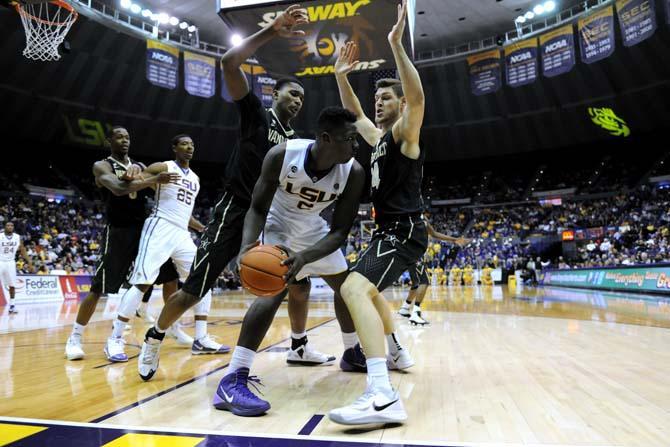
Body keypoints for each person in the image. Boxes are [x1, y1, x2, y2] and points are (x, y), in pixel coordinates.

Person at [138, 5, 361, 381]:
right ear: (275, 94)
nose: (297, 101)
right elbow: (228, 63)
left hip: (280, 217)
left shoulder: (296, 144)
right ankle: (155, 336)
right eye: (292, 94)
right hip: (240, 208)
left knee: (299, 284)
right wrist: (273, 30)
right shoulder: (256, 114)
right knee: (195, 288)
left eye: (303, 99)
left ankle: (299, 344)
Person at [212, 107, 366, 416]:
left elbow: (339, 232)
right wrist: (247, 246)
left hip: (314, 232)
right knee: (273, 290)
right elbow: (256, 207)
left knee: (348, 288)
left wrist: (306, 257)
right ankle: (233, 379)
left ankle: (350, 351)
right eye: (350, 139)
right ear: (326, 139)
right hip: (278, 226)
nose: (356, 145)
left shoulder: (354, 171)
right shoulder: (282, 155)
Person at [329, 0, 426, 425]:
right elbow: (356, 116)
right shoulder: (379, 138)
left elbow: (418, 97)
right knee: (367, 292)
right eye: (377, 97)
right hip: (389, 230)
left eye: (386, 97)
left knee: (351, 290)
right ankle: (398, 352)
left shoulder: (405, 134)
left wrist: (396, 45)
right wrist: (339, 77)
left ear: (400, 105)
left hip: (403, 230)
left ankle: (382, 394)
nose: (378, 103)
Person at [105, 135, 228, 363]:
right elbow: (133, 181)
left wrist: (202, 228)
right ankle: (115, 338)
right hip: (160, 227)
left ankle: (200, 339)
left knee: (203, 278)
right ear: (174, 148)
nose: (189, 147)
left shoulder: (195, 178)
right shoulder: (164, 166)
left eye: (192, 144)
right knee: (142, 283)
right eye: (184, 144)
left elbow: (185, 213)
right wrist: (135, 169)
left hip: (181, 232)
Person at [64, 126, 180, 360]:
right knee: (98, 288)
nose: (125, 140)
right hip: (118, 232)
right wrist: (151, 178)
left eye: (128, 136)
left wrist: (151, 179)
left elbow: (157, 189)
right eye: (119, 137)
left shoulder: (138, 166)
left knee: (170, 277)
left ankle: (175, 329)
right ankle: (74, 338)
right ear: (109, 141)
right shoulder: (102, 166)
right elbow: (117, 189)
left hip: (145, 231)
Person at [398, 219, 470, 325]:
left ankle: (405, 308)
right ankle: (415, 313)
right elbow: (432, 233)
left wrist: (454, 239)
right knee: (424, 281)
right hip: (413, 254)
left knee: (416, 283)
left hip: (411, 254)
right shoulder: (415, 220)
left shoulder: (418, 219)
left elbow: (434, 233)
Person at [0, 222, 32, 314]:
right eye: (8, 225)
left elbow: (22, 249)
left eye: (11, 225)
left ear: (13, 227)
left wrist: (29, 261)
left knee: (12, 285)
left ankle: (12, 306)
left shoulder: (17, 237)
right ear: (5, 227)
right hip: (0, 261)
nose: (10, 227)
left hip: (10, 262)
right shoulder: (0, 236)